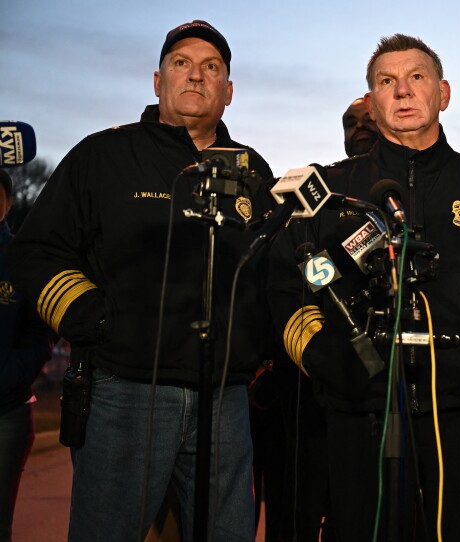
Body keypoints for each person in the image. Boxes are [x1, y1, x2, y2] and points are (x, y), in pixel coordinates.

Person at [268, 34, 460, 541]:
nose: (402, 91)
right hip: (359, 418)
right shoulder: (327, 195)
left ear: (443, 94)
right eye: (387, 82)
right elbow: (281, 287)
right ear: (371, 101)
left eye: (416, 78)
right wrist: (322, 357)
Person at [9, 20, 273, 541]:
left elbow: (271, 275)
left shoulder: (253, 171)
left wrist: (254, 347)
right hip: (125, 392)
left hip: (224, 399)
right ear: (157, 81)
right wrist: (98, 321)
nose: (196, 76)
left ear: (229, 91)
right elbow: (35, 252)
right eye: (181, 64)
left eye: (211, 68)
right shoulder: (103, 156)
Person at [0, 169, 52, 542]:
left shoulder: (20, 261)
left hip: (6, 413)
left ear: (7, 203)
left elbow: (39, 336)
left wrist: (5, 377)